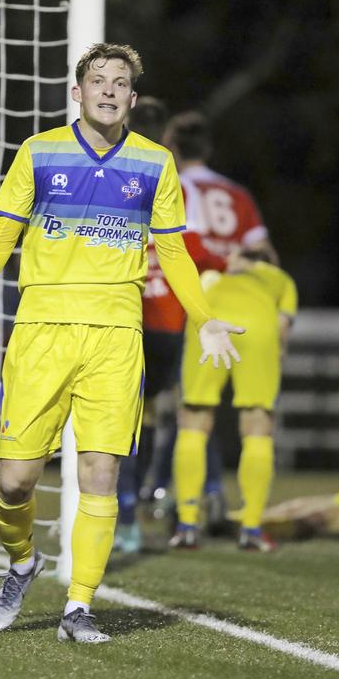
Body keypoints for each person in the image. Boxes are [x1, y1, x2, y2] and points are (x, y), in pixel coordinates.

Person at [0, 42, 244, 643]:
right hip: (42, 331)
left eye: (119, 82)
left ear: (130, 96)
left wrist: (202, 316)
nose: (107, 90)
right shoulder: (39, 151)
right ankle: (22, 560)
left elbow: (172, 250)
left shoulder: (155, 162)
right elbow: (2, 236)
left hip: (117, 335)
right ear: (78, 92)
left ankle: (78, 607)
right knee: (16, 481)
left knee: (100, 473)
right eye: (96, 80)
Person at [113, 97, 226, 554]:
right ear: (166, 139)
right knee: (187, 413)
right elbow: (186, 245)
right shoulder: (170, 178)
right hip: (169, 324)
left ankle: (127, 516)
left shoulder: (110, 170)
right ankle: (196, 503)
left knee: (126, 421)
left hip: (126, 319)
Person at [171, 247, 297, 552]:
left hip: (212, 320)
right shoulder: (282, 279)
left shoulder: (217, 278)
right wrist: (274, 360)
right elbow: (282, 326)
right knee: (257, 422)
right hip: (258, 325)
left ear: (243, 261)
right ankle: (251, 528)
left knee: (194, 418)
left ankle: (187, 524)